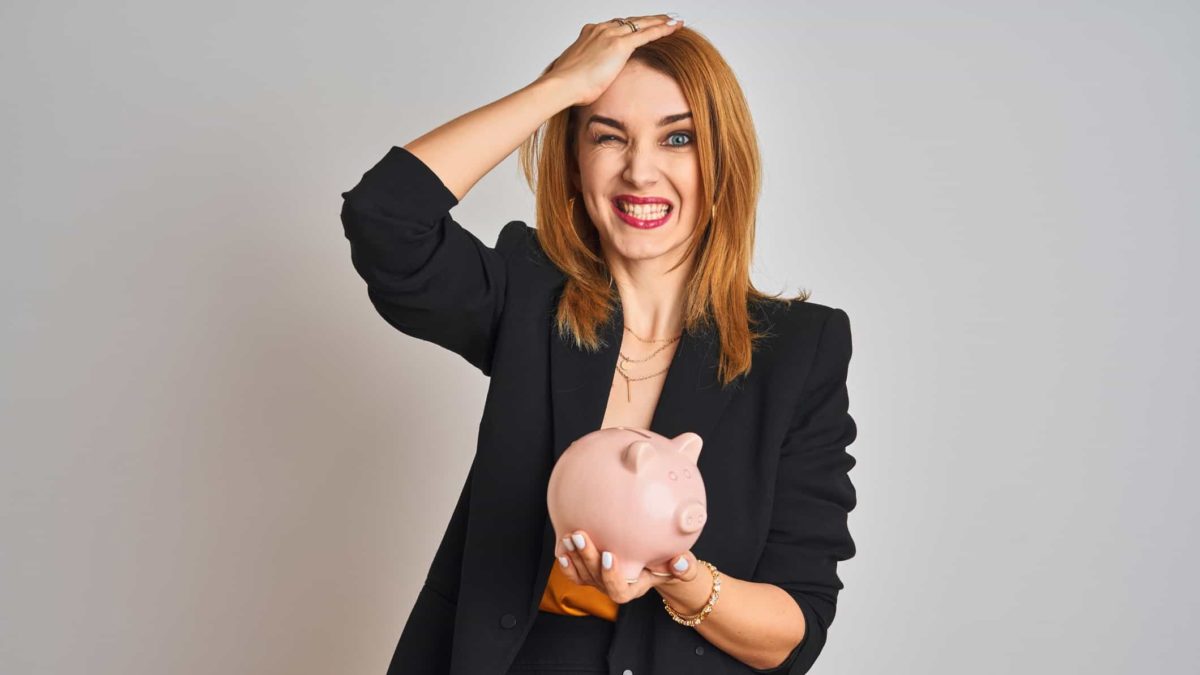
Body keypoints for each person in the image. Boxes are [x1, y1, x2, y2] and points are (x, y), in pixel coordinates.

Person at [338, 14, 858, 675]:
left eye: (677, 138)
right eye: (608, 136)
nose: (640, 171)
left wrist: (678, 577)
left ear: (723, 161)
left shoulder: (799, 352)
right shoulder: (529, 293)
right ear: (576, 160)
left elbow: (793, 629)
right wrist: (557, 89)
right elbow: (385, 217)